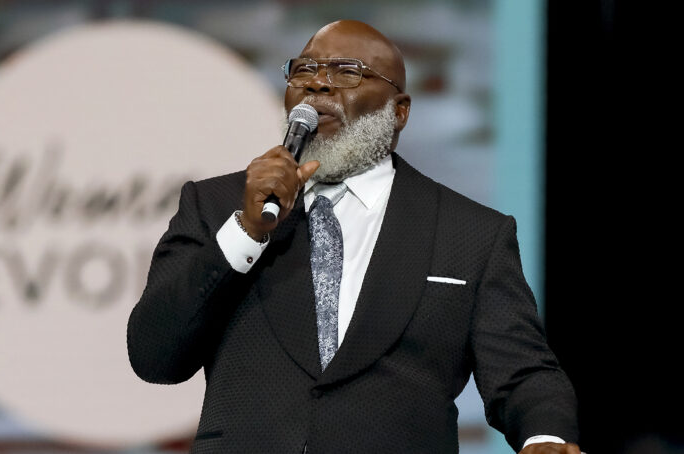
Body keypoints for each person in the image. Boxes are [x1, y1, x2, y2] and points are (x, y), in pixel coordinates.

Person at [128, 20, 580, 454]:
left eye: (347, 72)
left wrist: (546, 437)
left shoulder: (470, 232)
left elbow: (522, 372)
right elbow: (154, 355)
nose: (317, 84)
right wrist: (247, 231)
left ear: (398, 111)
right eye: (304, 69)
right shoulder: (216, 205)